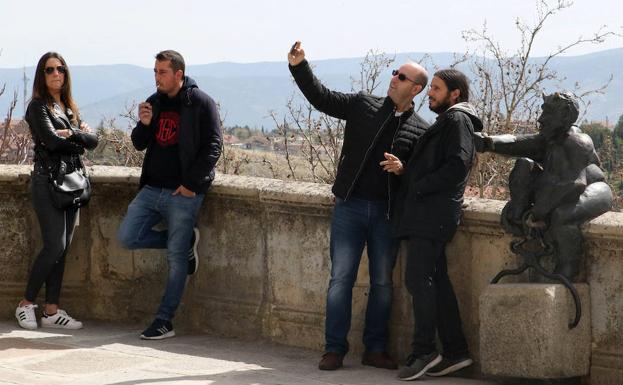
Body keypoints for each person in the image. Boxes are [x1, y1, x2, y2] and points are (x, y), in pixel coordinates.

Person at [288, 41, 429, 371]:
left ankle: (375, 349)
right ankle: (334, 349)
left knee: (382, 283)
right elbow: (321, 98)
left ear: (417, 89)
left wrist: (403, 170)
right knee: (340, 279)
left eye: (403, 76)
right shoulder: (363, 104)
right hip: (349, 207)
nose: (394, 78)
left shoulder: (422, 130)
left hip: (386, 214)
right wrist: (300, 67)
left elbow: (423, 177)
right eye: (395, 72)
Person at [117, 50, 222, 340]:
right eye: (155, 72)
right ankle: (185, 240)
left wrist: (191, 184)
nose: (157, 77)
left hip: (183, 193)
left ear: (179, 74)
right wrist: (144, 124)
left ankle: (164, 321)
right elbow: (139, 144)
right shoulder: (155, 102)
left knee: (176, 260)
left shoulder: (200, 102)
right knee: (127, 237)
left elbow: (214, 147)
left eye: (162, 72)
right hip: (152, 188)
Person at [387, 69, 481, 380]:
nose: (431, 93)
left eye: (437, 89)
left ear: (455, 94)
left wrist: (419, 184)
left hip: (432, 215)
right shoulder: (450, 121)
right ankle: (455, 351)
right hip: (430, 214)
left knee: (418, 280)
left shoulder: (457, 120)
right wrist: (409, 172)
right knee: (436, 283)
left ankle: (424, 350)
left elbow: (457, 165)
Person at [474, 92, 613, 280]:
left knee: (562, 216)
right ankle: (517, 213)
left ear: (564, 115)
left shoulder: (577, 142)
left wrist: (538, 212)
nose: (540, 119)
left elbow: (573, 185)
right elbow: (517, 142)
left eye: (547, 113)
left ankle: (567, 269)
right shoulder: (549, 138)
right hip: (559, 186)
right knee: (523, 164)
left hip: (592, 188)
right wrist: (488, 142)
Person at [15, 52, 98, 330]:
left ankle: (52, 310)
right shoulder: (38, 107)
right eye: (49, 70)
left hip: (71, 182)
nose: (56, 74)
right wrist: (77, 136)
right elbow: (51, 142)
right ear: (42, 75)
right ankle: (26, 303)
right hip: (47, 182)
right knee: (55, 246)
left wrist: (71, 134)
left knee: (63, 249)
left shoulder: (69, 108)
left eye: (60, 69)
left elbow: (93, 140)